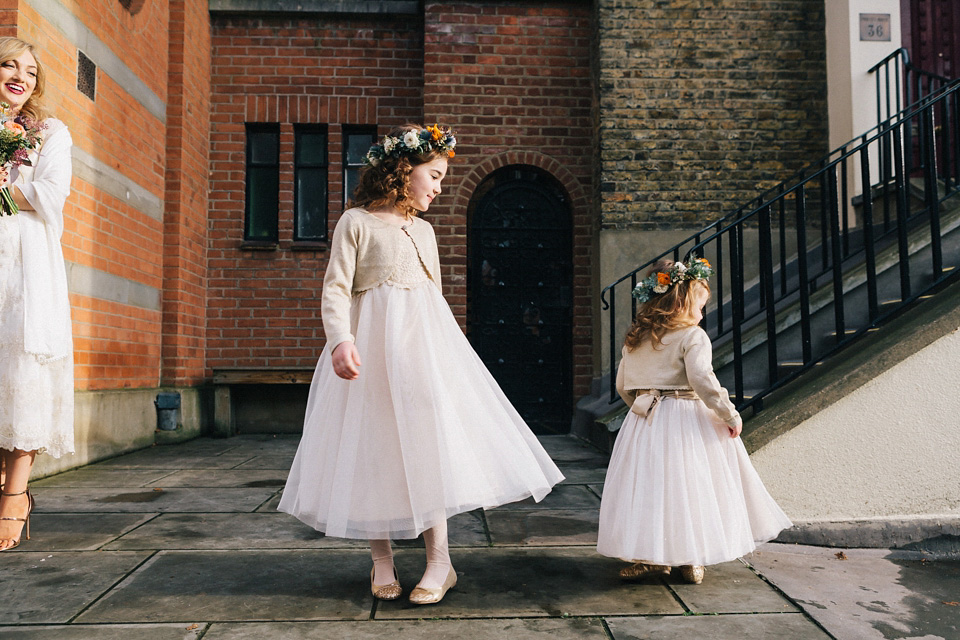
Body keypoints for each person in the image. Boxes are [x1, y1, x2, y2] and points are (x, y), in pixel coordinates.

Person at [279, 124, 563, 604]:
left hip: (420, 354)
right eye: (433, 176)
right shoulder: (357, 223)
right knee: (372, 446)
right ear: (402, 170)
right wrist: (340, 340)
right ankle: (382, 559)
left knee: (427, 443)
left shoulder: (425, 231)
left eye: (441, 179)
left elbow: (432, 301)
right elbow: (336, 289)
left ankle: (440, 562)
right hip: (370, 352)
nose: (437, 187)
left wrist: (448, 359)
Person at [597, 257, 791, 584]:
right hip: (685, 418)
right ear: (682, 304)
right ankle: (691, 558)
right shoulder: (692, 336)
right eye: (700, 306)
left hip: (645, 419)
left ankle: (649, 556)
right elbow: (702, 379)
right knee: (691, 486)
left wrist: (643, 405)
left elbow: (622, 385)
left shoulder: (637, 336)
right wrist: (728, 413)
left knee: (650, 488)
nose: (702, 314)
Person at [0, 37, 74, 551]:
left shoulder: (51, 132)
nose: (19, 75)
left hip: (27, 265)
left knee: (22, 367)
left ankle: (15, 495)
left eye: (29, 69)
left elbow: (50, 196)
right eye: (8, 63)